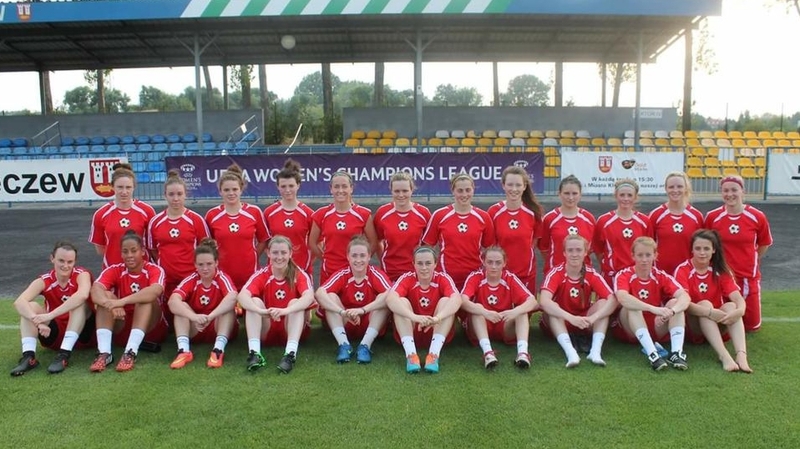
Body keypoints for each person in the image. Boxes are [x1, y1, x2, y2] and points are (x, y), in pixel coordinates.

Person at [89, 231, 169, 372]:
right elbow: (95, 290)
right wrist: (110, 304)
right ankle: (104, 353)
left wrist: (121, 302)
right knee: (106, 295)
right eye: (125, 251)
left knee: (144, 299)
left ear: (142, 251)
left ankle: (130, 353)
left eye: (134, 250)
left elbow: (155, 291)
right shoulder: (115, 270)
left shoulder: (154, 269)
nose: (129, 255)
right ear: (121, 254)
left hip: (151, 329)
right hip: (123, 325)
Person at [11, 241, 94, 376]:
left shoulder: (82, 274)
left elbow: (82, 295)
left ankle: (64, 355)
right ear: (52, 258)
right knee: (30, 306)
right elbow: (19, 302)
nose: (65, 265)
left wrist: (50, 315)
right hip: (53, 334)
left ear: (75, 262)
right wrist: (37, 321)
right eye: (61, 260)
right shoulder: (45, 280)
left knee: (80, 304)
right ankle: (28, 357)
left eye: (70, 262)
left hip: (82, 335)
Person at [673, 230, 752, 373]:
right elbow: (683, 304)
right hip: (694, 326)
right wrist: (709, 312)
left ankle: (741, 355)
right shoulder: (683, 269)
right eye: (698, 248)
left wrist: (740, 311)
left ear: (714, 250)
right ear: (692, 250)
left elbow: (737, 297)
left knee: (731, 306)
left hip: (719, 322)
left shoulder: (720, 269)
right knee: (705, 304)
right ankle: (724, 356)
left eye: (706, 248)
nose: (702, 253)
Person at [237, 236, 315, 374]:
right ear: (268, 253)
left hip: (290, 327)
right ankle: (254, 353)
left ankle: (290, 355)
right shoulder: (262, 274)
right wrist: (260, 311)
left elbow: (309, 297)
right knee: (254, 302)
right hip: (268, 327)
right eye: (275, 253)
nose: (279, 257)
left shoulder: (299, 274)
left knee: (295, 303)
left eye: (283, 253)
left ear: (290, 253)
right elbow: (242, 296)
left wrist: (286, 310)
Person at [704, 175, 772, 332]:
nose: (730, 194)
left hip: (747, 278)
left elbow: (764, 244)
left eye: (734, 190)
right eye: (725, 190)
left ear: (743, 191)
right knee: (722, 323)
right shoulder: (713, 217)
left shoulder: (757, 216)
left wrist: (750, 260)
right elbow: (705, 244)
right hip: (721, 277)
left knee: (752, 326)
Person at [612, 237, 691, 371]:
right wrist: (653, 309)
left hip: (656, 326)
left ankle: (677, 353)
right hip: (630, 329)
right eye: (640, 255)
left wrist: (671, 311)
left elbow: (685, 297)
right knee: (632, 306)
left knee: (675, 303)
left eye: (648, 255)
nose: (644, 259)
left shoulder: (661, 275)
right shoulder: (624, 274)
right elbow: (622, 298)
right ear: (633, 256)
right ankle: (653, 355)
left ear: (655, 255)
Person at [538, 235, 617, 368]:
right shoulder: (556, 272)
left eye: (579, 250)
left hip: (584, 322)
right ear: (564, 253)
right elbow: (544, 301)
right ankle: (571, 353)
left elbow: (613, 300)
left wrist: (593, 318)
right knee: (553, 307)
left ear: (586, 252)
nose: (574, 254)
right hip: (561, 320)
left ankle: (595, 352)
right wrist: (571, 318)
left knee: (603, 303)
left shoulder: (591, 273)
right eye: (570, 250)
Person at [315, 236, 393, 364]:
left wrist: (363, 310)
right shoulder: (343, 273)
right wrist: (342, 312)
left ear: (369, 256)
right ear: (348, 257)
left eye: (362, 256)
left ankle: (365, 345)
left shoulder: (374, 273)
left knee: (385, 298)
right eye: (354, 256)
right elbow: (319, 293)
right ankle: (344, 344)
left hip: (370, 322)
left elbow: (391, 294)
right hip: (348, 320)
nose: (358, 260)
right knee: (330, 296)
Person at [385, 246, 462, 374]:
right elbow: (390, 299)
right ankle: (411, 355)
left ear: (435, 264)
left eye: (428, 263)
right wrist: (414, 317)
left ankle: (433, 355)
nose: (424, 267)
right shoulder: (407, 277)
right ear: (413, 264)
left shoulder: (442, 278)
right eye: (420, 263)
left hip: (436, 328)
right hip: (412, 329)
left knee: (446, 301)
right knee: (401, 302)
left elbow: (457, 299)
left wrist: (437, 318)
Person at [460, 246, 538, 369]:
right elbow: (462, 301)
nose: (494, 266)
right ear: (483, 262)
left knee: (521, 312)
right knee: (477, 308)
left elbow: (532, 301)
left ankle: (522, 353)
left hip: (504, 323)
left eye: (498, 262)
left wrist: (514, 311)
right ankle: (488, 353)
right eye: (490, 262)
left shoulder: (510, 278)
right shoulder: (476, 276)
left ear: (504, 263)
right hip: (482, 324)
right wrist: (485, 312)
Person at [167, 238, 239, 369]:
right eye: (200, 264)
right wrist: (194, 317)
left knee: (228, 308)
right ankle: (183, 350)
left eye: (209, 264)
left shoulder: (222, 278)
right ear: (195, 264)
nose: (205, 268)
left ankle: (218, 350)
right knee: (180, 307)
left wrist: (210, 316)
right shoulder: (192, 279)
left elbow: (233, 297)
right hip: (197, 326)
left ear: (216, 263)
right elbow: (172, 301)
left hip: (218, 325)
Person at [421, 173, 495, 290]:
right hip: (446, 275)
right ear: (453, 191)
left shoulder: (483, 217)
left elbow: (490, 249)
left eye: (468, 190)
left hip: (474, 276)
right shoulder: (440, 215)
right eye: (460, 191)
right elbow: (427, 248)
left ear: (473, 190)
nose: (464, 194)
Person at [147, 169, 210, 303]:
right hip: (166, 279)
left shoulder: (196, 220)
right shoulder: (155, 221)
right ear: (165, 195)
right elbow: (152, 250)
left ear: (186, 194)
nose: (175, 198)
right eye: (171, 194)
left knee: (191, 311)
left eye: (179, 194)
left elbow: (206, 249)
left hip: (191, 278)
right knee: (167, 313)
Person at [204, 163, 270, 290]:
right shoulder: (212, 215)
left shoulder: (254, 212)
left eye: (235, 189)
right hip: (222, 274)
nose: (231, 193)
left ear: (241, 189)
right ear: (220, 191)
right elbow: (207, 244)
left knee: (249, 302)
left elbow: (264, 239)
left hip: (250, 273)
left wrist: (253, 255)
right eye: (226, 190)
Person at [310, 170, 378, 284]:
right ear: (331, 189)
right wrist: (325, 258)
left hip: (355, 272)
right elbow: (312, 242)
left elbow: (373, 242)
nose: (340, 190)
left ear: (351, 188)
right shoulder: (321, 214)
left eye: (344, 186)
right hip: (329, 272)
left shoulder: (363, 214)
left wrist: (360, 260)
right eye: (336, 187)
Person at [487, 166, 543, 292]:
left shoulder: (533, 212)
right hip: (500, 275)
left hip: (526, 274)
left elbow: (534, 242)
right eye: (510, 185)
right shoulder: (493, 212)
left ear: (524, 186)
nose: (514, 189)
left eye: (518, 185)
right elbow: (491, 245)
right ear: (503, 185)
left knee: (526, 305)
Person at [89, 163, 155, 268]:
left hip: (141, 270)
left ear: (134, 187)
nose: (124, 192)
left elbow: (152, 245)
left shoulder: (147, 211)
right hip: (112, 270)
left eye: (128, 187)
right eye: (120, 187)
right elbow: (100, 249)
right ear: (112, 187)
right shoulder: (101, 214)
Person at [374, 172, 432, 282]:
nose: (401, 195)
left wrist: (421, 264)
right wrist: (383, 259)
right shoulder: (382, 213)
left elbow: (428, 244)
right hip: (389, 272)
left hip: (415, 272)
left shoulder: (423, 213)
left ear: (412, 190)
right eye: (397, 191)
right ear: (391, 190)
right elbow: (377, 240)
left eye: (405, 191)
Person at [594, 178, 652, 285]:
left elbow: (649, 249)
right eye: (622, 195)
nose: (626, 199)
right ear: (616, 196)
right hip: (611, 277)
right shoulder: (604, 221)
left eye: (629, 195)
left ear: (635, 197)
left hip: (636, 276)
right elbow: (598, 250)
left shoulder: (644, 221)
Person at [263, 159, 315, 273]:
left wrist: (306, 263)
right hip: (275, 271)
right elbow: (265, 243)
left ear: (298, 185)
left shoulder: (309, 214)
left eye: (291, 186)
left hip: (301, 270)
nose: (287, 190)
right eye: (283, 186)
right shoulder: (269, 213)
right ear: (277, 186)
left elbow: (316, 243)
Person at [648, 172, 704, 276]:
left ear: (686, 188)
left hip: (688, 274)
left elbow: (702, 246)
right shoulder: (656, 215)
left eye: (679, 186)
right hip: (661, 274)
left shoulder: (696, 216)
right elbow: (647, 245)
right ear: (666, 189)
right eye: (671, 187)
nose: (675, 190)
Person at [538, 175, 596, 275]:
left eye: (574, 193)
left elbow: (591, 248)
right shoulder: (549, 218)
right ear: (559, 194)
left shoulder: (589, 218)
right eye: (566, 193)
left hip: (582, 274)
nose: (570, 197)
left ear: (580, 194)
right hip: (555, 274)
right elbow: (544, 249)